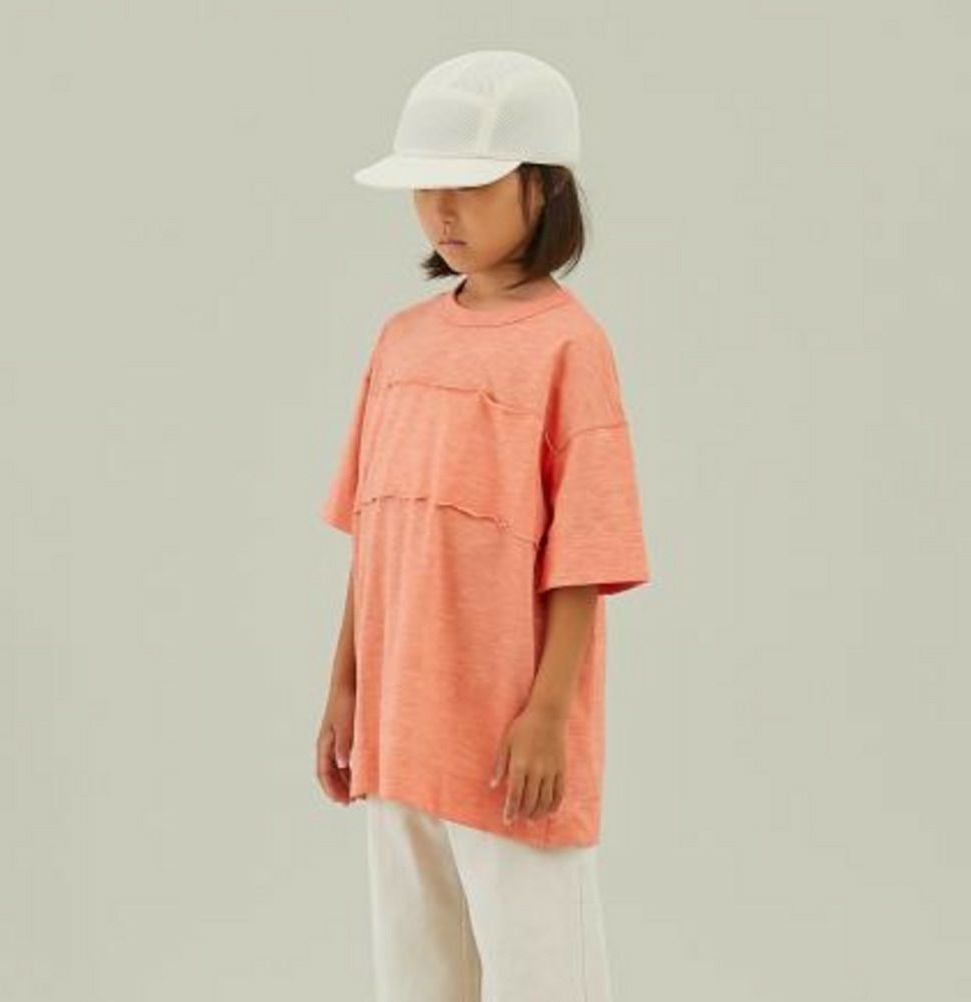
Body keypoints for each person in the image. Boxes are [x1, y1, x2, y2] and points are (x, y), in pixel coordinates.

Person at [315, 50, 651, 1002]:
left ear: (544, 188)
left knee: (545, 976)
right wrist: (345, 685)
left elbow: (585, 554)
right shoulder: (401, 341)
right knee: (417, 975)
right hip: (399, 725)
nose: (441, 213)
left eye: (468, 186)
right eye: (425, 190)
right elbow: (373, 532)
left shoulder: (568, 348)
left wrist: (548, 714)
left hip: (509, 737)